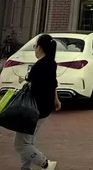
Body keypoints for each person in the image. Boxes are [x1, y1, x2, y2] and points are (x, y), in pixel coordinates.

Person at [14, 34, 60, 170]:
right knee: (28, 140)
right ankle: (25, 167)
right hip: (45, 108)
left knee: (21, 144)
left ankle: (46, 164)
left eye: (35, 46)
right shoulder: (51, 63)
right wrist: (56, 99)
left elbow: (31, 83)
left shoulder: (39, 66)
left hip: (33, 110)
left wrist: (26, 79)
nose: (35, 49)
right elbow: (53, 83)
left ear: (40, 47)